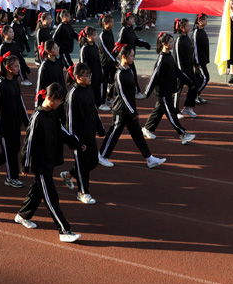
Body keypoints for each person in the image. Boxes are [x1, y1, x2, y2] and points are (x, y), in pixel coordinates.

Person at [16, 82, 85, 243]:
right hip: (40, 165)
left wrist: (77, 143)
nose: (59, 103)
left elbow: (62, 131)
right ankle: (64, 230)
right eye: (58, 100)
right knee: (51, 197)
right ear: (48, 98)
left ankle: (22, 215)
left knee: (37, 191)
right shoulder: (37, 118)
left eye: (61, 101)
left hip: (49, 161)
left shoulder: (54, 114)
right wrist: (25, 165)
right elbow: (29, 143)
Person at [100, 45, 166, 168]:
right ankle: (103, 156)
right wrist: (132, 111)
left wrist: (132, 109)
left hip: (130, 110)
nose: (133, 58)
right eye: (131, 56)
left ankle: (149, 158)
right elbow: (122, 95)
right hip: (121, 111)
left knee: (137, 134)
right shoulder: (119, 73)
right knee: (114, 133)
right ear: (124, 56)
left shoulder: (129, 70)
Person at [60, 62, 105, 204]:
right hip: (79, 138)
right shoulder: (73, 95)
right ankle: (83, 192)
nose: (89, 77)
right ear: (78, 77)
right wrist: (74, 142)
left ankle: (68, 174)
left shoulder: (88, 89)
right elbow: (70, 121)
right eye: (86, 76)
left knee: (93, 161)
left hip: (90, 134)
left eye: (89, 74)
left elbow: (93, 110)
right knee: (82, 165)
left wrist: (100, 127)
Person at [141, 32, 196, 145]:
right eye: (171, 42)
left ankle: (147, 128)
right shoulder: (161, 59)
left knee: (159, 110)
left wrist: (189, 82)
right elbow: (154, 77)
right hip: (162, 92)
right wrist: (147, 92)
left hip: (168, 90)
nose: (173, 43)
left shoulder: (169, 56)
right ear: (164, 44)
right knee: (171, 114)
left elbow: (177, 71)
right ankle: (183, 134)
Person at [0, 54, 29, 188]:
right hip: (4, 126)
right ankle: (11, 177)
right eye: (16, 66)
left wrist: (27, 122)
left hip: (15, 122)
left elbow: (20, 103)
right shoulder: (1, 85)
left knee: (15, 148)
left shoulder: (15, 82)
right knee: (10, 151)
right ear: (8, 68)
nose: (18, 69)